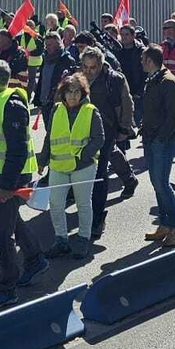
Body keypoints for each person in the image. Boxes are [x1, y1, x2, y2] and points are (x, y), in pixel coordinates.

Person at [0, 61, 47, 310]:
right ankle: (35, 259)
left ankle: (7, 286)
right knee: (12, 220)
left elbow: (16, 150)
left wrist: (6, 185)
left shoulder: (11, 105)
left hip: (11, 179)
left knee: (2, 234)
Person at [40, 73, 104, 259]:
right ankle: (61, 240)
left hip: (82, 167)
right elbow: (49, 136)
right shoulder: (56, 109)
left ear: (83, 93)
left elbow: (99, 139)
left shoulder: (91, 110)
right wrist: (42, 161)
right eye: (69, 92)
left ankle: (83, 239)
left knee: (83, 204)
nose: (73, 96)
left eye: (77, 92)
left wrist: (83, 156)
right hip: (58, 165)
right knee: (56, 203)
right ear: (63, 93)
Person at [80, 47, 137, 242]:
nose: (89, 71)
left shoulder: (115, 79)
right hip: (82, 134)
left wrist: (124, 128)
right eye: (85, 67)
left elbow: (127, 104)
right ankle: (129, 179)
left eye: (92, 67)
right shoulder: (77, 79)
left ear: (101, 64)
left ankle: (97, 219)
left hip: (106, 131)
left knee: (99, 174)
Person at [137, 45, 175, 246]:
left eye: (143, 59)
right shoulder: (153, 80)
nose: (141, 62)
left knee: (162, 184)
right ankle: (165, 224)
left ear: (150, 61)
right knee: (157, 184)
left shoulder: (168, 82)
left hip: (163, 142)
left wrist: (161, 138)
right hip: (151, 139)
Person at [33, 30, 78, 122]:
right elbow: (42, 79)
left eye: (50, 45)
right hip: (45, 101)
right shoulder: (45, 58)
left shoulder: (66, 59)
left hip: (59, 102)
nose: (47, 48)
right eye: (46, 45)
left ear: (58, 44)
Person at [115, 24, 145, 98]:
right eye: (122, 35)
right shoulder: (118, 51)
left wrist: (140, 91)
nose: (124, 37)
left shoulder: (141, 51)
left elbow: (145, 73)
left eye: (127, 34)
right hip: (123, 90)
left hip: (137, 92)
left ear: (133, 35)